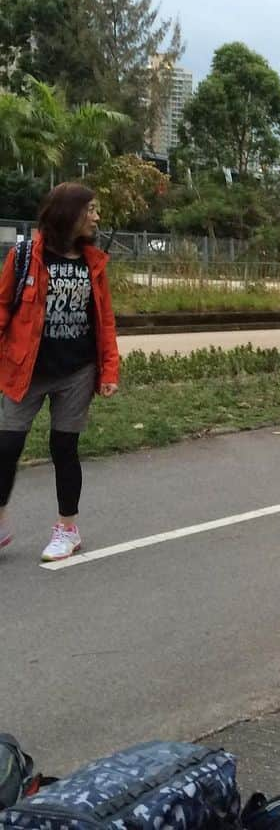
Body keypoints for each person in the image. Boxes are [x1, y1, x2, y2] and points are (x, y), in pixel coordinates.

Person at [0, 183, 120, 561]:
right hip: (25, 371)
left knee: (64, 449)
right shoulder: (24, 257)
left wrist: (109, 370)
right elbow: (2, 307)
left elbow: (105, 321)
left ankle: (67, 529)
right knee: (5, 448)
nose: (97, 217)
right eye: (92, 210)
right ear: (71, 213)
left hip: (76, 372)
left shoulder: (93, 263)